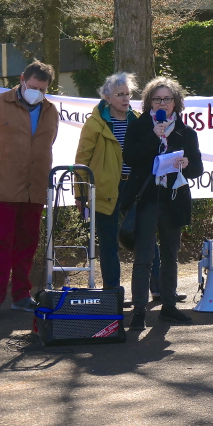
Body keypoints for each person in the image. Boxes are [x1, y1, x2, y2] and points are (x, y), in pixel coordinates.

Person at [0, 61, 59, 319]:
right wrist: (2, 168)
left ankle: (22, 294)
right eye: (33, 86)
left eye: (42, 89)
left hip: (34, 190)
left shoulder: (50, 111)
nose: (37, 92)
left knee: (26, 244)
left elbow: (49, 143)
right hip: (2, 188)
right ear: (22, 80)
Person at [122, 77, 204, 329]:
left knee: (170, 255)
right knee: (144, 257)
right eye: (157, 99)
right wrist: (152, 136)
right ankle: (138, 310)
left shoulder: (185, 131)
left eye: (167, 99)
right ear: (149, 102)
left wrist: (187, 165)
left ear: (176, 103)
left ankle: (169, 306)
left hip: (174, 200)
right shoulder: (139, 126)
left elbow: (197, 169)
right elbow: (131, 158)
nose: (162, 103)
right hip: (146, 200)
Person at [75, 72, 139, 295]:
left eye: (128, 94)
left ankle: (157, 289)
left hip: (134, 189)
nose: (125, 98)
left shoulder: (138, 120)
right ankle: (112, 290)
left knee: (144, 238)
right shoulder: (95, 124)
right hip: (104, 190)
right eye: (119, 94)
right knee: (109, 242)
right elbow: (82, 161)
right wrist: (81, 194)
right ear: (107, 97)